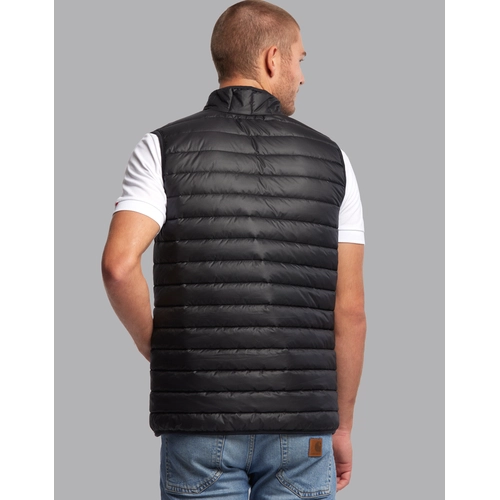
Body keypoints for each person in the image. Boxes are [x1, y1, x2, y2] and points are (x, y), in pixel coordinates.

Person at [101, 1, 367, 498]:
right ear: (272, 59)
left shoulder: (161, 148)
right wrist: (343, 426)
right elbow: (349, 311)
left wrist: (158, 346)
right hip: (303, 426)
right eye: (300, 59)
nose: (303, 76)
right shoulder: (334, 161)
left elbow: (118, 266)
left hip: (199, 419)